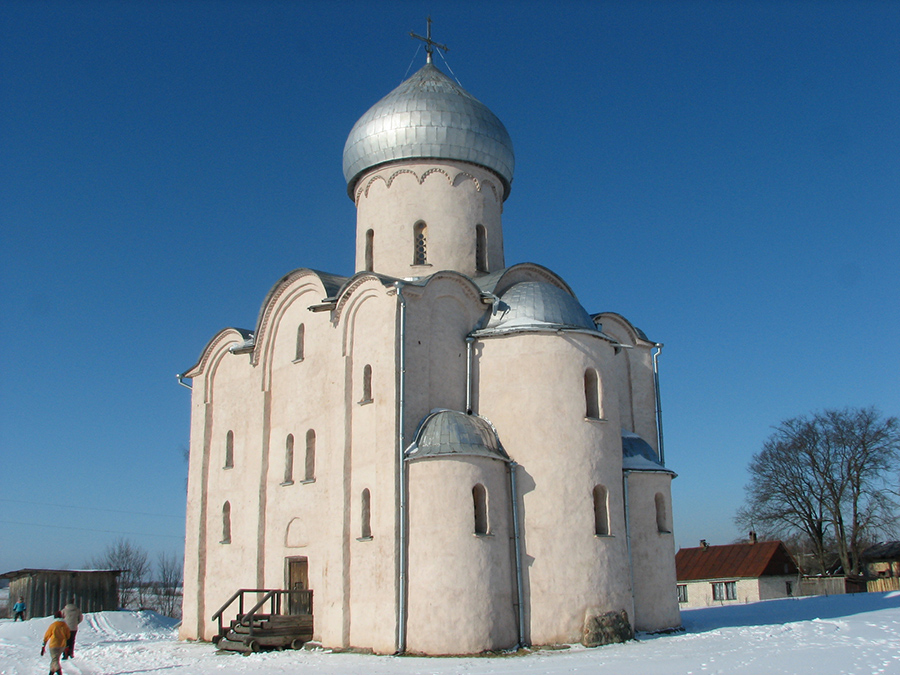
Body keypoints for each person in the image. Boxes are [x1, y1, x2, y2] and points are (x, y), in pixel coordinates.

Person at [42, 610, 71, 675]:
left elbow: (47, 635)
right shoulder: (65, 625)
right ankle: (51, 673)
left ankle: (59, 673)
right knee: (55, 660)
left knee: (55, 660)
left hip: (53, 645)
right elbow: (68, 636)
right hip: (62, 646)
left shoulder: (53, 625)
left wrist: (43, 645)